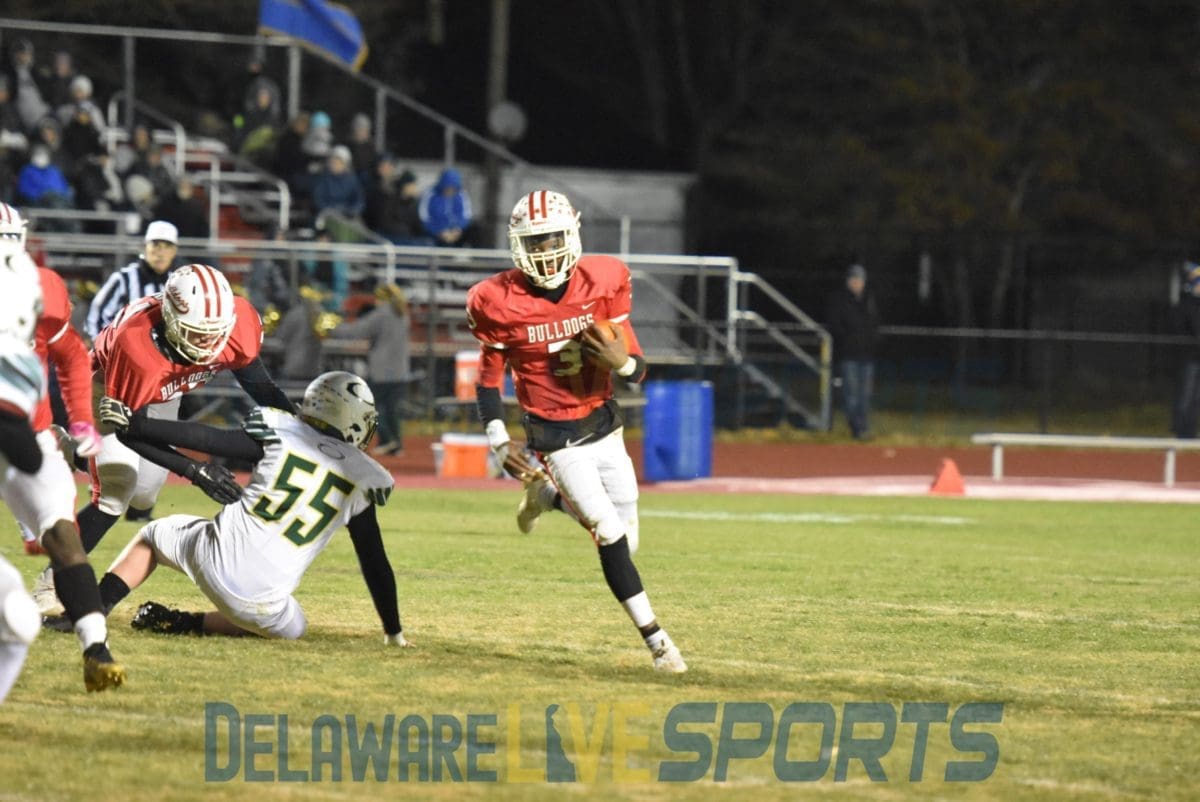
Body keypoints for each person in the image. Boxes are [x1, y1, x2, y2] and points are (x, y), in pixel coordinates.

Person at [465, 189, 687, 674]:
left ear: (572, 235)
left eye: (551, 240)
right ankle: (658, 643)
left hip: (604, 424)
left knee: (626, 544)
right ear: (518, 245)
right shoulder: (496, 300)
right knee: (606, 532)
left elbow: (639, 369)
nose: (544, 252)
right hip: (552, 435)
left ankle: (545, 498)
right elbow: (487, 378)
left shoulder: (604, 280)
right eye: (534, 242)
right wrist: (499, 439)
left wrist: (623, 362)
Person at [28, 264, 298, 618]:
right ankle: (50, 583)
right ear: (172, 321)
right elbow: (129, 429)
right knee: (116, 490)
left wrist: (301, 430)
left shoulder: (236, 322)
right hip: (108, 386)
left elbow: (260, 386)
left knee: (146, 493)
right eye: (199, 334)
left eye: (216, 333)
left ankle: (69, 450)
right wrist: (195, 470)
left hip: (166, 387)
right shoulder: (137, 346)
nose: (209, 344)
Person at [72, 371, 411, 646]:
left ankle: (93, 607)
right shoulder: (364, 477)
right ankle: (188, 623)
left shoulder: (282, 431)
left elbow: (205, 438)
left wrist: (137, 424)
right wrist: (393, 632)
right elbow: (375, 563)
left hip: (210, 557)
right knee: (295, 626)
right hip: (266, 607)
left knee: (153, 534)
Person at [0, 205, 124, 692]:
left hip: (27, 432)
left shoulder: (38, 286)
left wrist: (81, 421)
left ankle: (96, 645)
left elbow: (70, 353)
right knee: (14, 609)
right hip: (20, 434)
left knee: (62, 533)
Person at [327, 283, 410, 455]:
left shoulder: (382, 314)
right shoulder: (402, 314)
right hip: (401, 370)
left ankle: (387, 440)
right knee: (392, 408)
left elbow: (357, 331)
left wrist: (332, 327)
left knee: (374, 406)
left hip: (383, 370)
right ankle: (396, 443)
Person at [86, 220, 179, 340]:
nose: (161, 253)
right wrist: (105, 351)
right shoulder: (123, 279)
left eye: (167, 246)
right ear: (145, 247)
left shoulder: (177, 283)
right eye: (156, 245)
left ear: (174, 252)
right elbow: (96, 318)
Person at [826, 263, 879, 440]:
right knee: (852, 394)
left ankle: (863, 426)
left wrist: (872, 342)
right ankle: (856, 428)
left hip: (866, 355)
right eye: (854, 279)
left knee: (865, 395)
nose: (857, 283)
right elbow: (835, 325)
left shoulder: (869, 300)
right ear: (848, 281)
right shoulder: (840, 300)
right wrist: (846, 340)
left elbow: (874, 325)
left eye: (860, 279)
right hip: (848, 355)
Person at [1173, 262, 1200, 438]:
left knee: (1196, 398)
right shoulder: (1188, 304)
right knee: (1186, 397)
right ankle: (1183, 434)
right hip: (1191, 357)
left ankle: (1190, 433)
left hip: (1196, 356)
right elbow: (1190, 327)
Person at [419, 167, 475, 247]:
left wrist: (458, 229)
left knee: (472, 234)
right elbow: (424, 218)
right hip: (435, 234)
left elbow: (466, 216)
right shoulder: (430, 194)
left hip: (456, 233)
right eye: (447, 188)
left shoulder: (462, 194)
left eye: (453, 188)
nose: (450, 191)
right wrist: (439, 231)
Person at [311, 145, 364, 221]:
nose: (335, 164)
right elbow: (318, 198)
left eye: (339, 162)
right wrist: (330, 210)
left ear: (345, 164)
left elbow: (358, 200)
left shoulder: (352, 179)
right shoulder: (323, 178)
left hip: (347, 217)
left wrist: (351, 211)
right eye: (333, 162)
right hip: (327, 216)